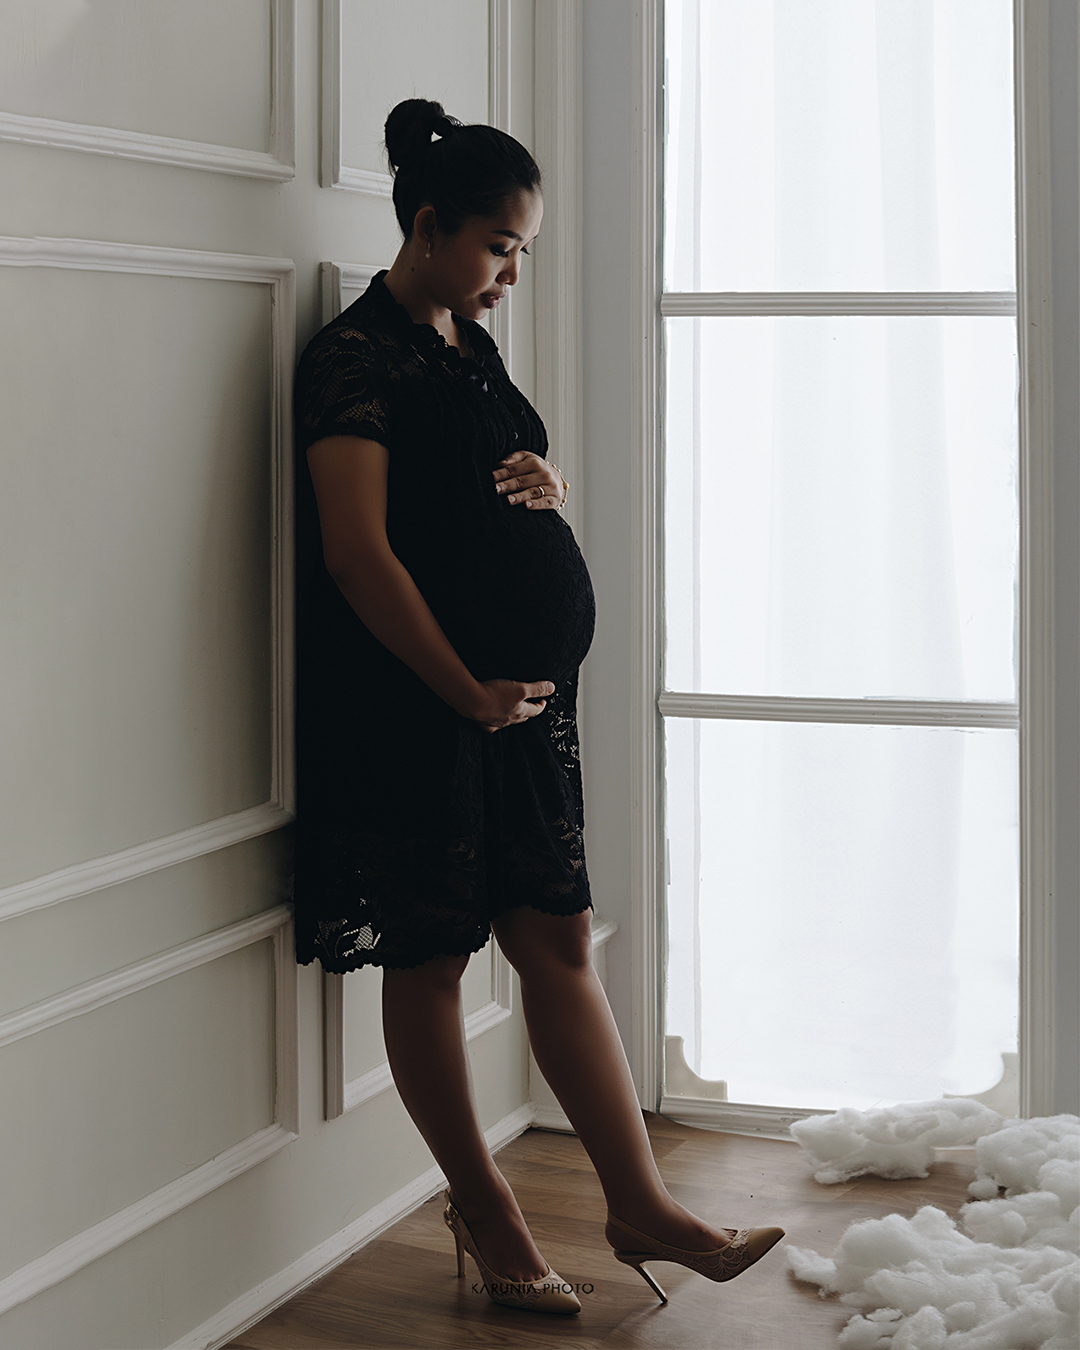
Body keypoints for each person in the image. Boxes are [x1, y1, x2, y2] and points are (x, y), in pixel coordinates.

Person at [291, 97, 784, 1316]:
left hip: (517, 709)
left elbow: (470, 486)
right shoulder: (352, 361)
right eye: (500, 245)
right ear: (426, 223)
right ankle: (491, 1209)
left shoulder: (467, 340)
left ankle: (642, 1203)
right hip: (421, 706)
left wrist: (544, 476)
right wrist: (462, 689)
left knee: (558, 939)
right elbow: (358, 555)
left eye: (523, 250)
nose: (512, 270)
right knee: (435, 956)